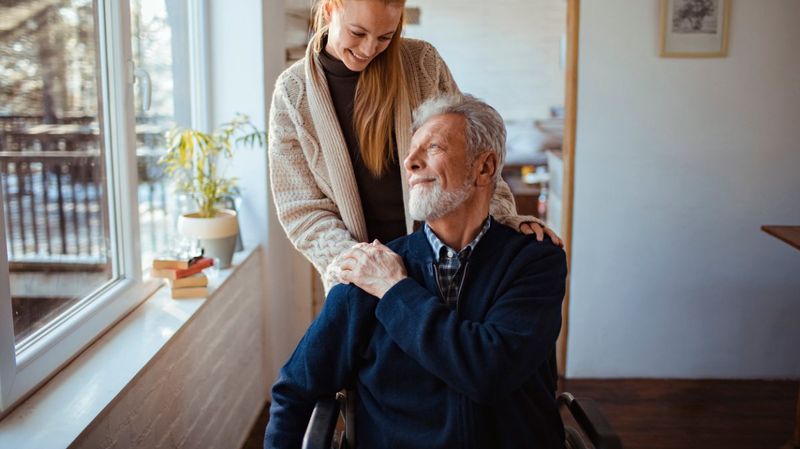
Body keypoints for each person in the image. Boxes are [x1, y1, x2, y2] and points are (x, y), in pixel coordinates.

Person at [265, 94, 568, 449]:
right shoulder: (369, 271)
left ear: (485, 168)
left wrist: (395, 291)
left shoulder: (534, 261)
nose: (410, 162)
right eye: (411, 151)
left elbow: (489, 372)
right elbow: (295, 390)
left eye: (434, 147)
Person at [268, 0, 561, 291]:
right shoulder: (292, 96)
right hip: (361, 282)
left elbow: (470, 152)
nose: (369, 49)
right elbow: (301, 208)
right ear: (331, 10)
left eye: (385, 37)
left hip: (449, 265)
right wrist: (358, 262)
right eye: (358, 33)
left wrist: (504, 220)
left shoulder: (423, 63)